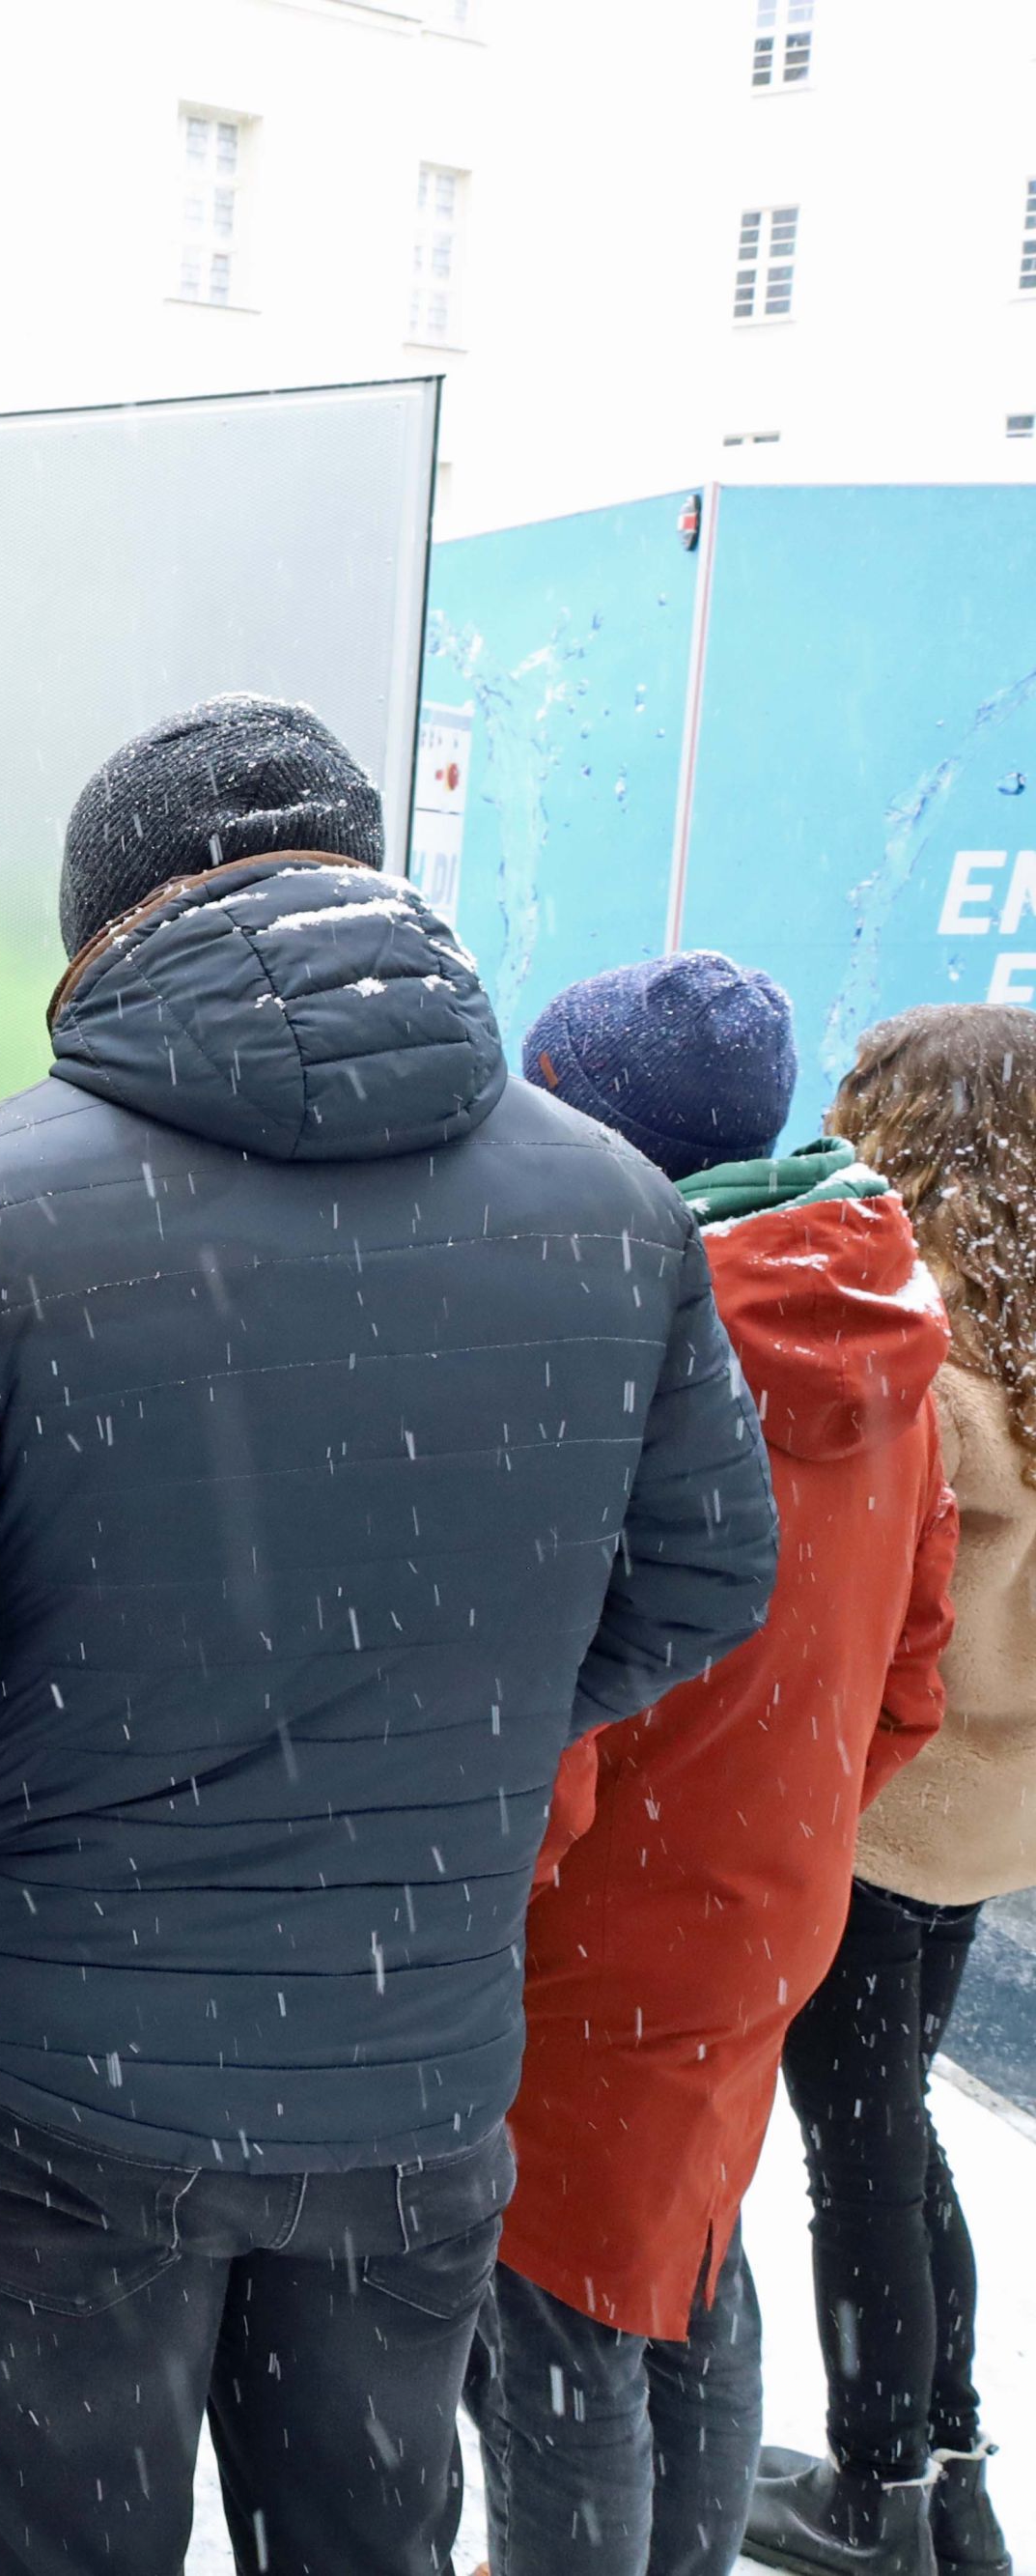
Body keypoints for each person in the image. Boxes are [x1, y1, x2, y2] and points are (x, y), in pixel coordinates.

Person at [0, 693, 783, 2576]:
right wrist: (466, 1726)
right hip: (406, 2067)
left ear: (99, 927)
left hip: (44, 2078)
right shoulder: (611, 1212)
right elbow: (706, 1574)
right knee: (361, 2537)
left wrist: (20, 1789)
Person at [473, 957, 958, 2576]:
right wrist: (779, 1820)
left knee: (561, 2327)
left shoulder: (632, 1356)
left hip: (594, 1935)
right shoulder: (884, 1335)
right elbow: (911, 1673)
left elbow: (558, 1718)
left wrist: (490, 1903)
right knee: (681, 2263)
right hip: (765, 1905)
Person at [749, 1004, 1036, 2576]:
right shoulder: (1032, 1316)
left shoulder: (923, 1339)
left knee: (859, 2146)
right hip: (989, 1816)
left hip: (882, 1809)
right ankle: (952, 2462)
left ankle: (876, 2493)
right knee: (897, 2129)